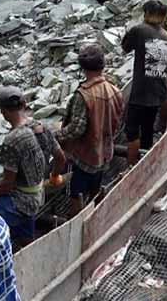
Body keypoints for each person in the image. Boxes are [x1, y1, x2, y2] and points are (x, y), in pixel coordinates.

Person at [0, 86, 66, 246]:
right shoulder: (41, 127)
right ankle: (27, 241)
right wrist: (54, 176)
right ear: (24, 104)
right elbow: (60, 158)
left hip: (21, 201)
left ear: (3, 112)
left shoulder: (13, 140)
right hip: (39, 195)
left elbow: (6, 184)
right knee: (25, 232)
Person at [57, 46, 124, 216]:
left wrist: (56, 136)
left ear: (83, 68)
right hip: (105, 152)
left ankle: (77, 223)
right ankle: (97, 215)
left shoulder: (84, 95)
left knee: (76, 193)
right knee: (96, 187)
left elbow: (77, 129)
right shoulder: (114, 91)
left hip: (85, 157)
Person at [120, 0, 167, 165]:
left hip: (141, 91)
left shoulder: (140, 30)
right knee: (148, 129)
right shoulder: (165, 35)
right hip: (158, 90)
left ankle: (130, 166)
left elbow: (125, 48)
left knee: (132, 131)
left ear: (147, 13)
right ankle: (145, 162)